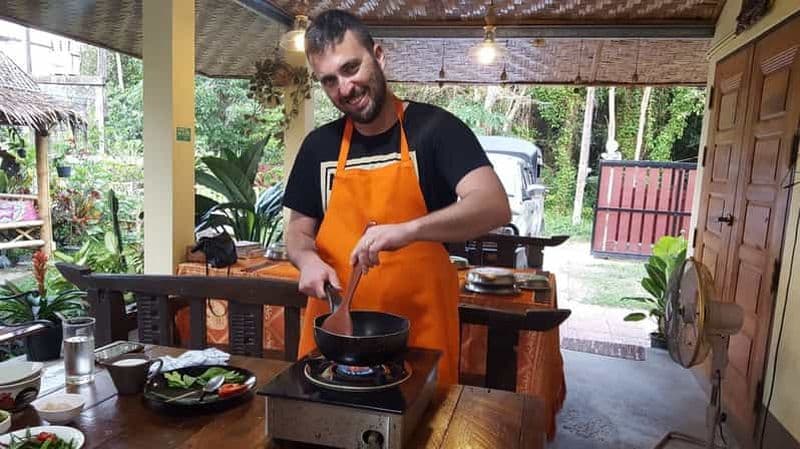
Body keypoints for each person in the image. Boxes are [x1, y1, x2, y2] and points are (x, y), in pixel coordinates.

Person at [283, 10, 511, 384]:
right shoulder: (318, 147)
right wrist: (306, 260)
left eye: (351, 67)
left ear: (379, 56)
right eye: (329, 80)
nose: (345, 88)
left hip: (422, 335)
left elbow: (493, 205)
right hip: (337, 340)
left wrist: (409, 230)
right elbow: (298, 233)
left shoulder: (436, 130)